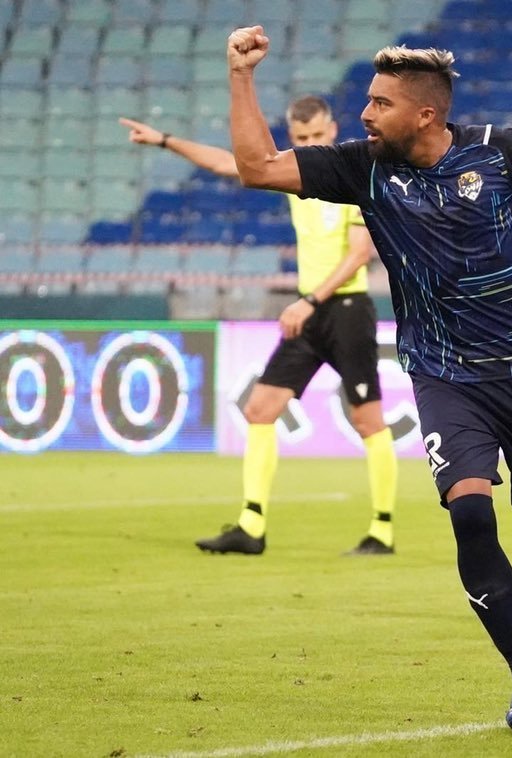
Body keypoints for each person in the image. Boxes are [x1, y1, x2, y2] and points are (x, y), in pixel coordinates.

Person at [224, 26, 512, 730]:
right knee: (469, 513)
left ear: (425, 114)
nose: (364, 114)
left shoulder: (500, 151)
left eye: (379, 103)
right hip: (444, 376)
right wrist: (241, 75)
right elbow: (258, 168)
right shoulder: (362, 168)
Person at [119, 96, 399, 557]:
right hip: (309, 311)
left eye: (317, 135)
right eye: (302, 137)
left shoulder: (352, 174)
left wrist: (309, 301)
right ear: (292, 137)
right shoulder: (294, 173)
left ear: (332, 130)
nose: (310, 143)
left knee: (368, 420)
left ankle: (381, 531)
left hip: (346, 310)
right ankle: (251, 526)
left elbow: (359, 255)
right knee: (260, 409)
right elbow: (227, 164)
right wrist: (165, 140)